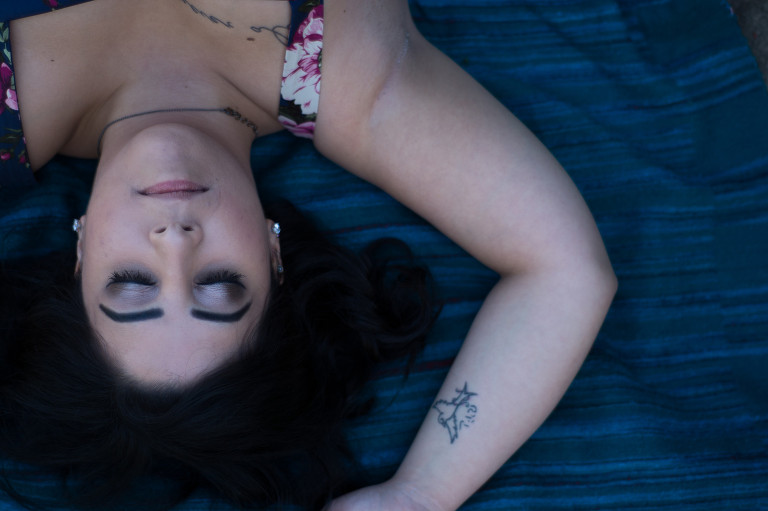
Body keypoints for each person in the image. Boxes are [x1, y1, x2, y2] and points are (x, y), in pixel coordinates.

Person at [0, 1, 617, 510]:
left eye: (132, 281)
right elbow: (567, 272)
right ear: (275, 255)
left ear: (79, 254)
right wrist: (420, 493)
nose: (176, 240)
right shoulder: (355, 82)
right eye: (221, 283)